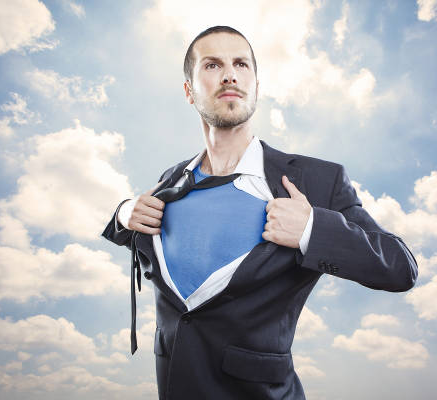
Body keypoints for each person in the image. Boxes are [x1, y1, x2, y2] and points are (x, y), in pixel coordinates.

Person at [102, 25, 418, 400]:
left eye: (240, 64)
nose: (230, 74)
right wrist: (123, 213)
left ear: (256, 85)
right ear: (189, 90)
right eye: (212, 65)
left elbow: (400, 268)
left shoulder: (316, 181)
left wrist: (312, 230)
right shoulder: (171, 180)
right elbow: (144, 234)